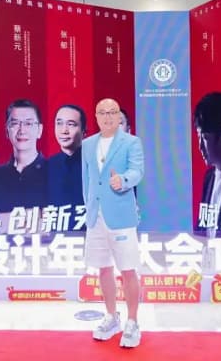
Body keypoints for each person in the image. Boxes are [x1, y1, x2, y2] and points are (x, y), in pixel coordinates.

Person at [82, 98, 144, 348]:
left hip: (120, 215)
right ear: (96, 116)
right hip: (95, 216)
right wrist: (89, 207)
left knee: (128, 270)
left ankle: (133, 321)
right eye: (102, 113)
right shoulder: (88, 144)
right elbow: (86, 180)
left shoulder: (131, 142)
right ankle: (111, 317)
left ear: (119, 117)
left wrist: (124, 180)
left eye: (112, 112)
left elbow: (137, 171)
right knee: (103, 268)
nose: (107, 117)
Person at [193, 92, 221, 237]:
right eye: (198, 137)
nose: (200, 146)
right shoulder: (209, 177)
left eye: (205, 138)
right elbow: (203, 228)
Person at [0, 99, 48, 215]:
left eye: (28, 124)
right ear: (7, 131)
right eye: (15, 123)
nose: (21, 130)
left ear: (39, 130)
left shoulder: (54, 173)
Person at [47, 104, 86, 233]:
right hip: (54, 238)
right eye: (59, 123)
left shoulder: (96, 165)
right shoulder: (46, 166)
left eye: (71, 124)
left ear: (84, 131)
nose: (64, 130)